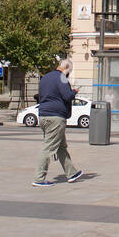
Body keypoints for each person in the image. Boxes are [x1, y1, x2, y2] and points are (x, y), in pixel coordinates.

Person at [33, 58, 83, 187]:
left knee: (61, 146)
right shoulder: (61, 78)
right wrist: (74, 92)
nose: (69, 74)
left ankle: (71, 173)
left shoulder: (45, 78)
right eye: (69, 71)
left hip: (44, 115)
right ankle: (39, 178)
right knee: (48, 147)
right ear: (66, 68)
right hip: (55, 116)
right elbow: (67, 96)